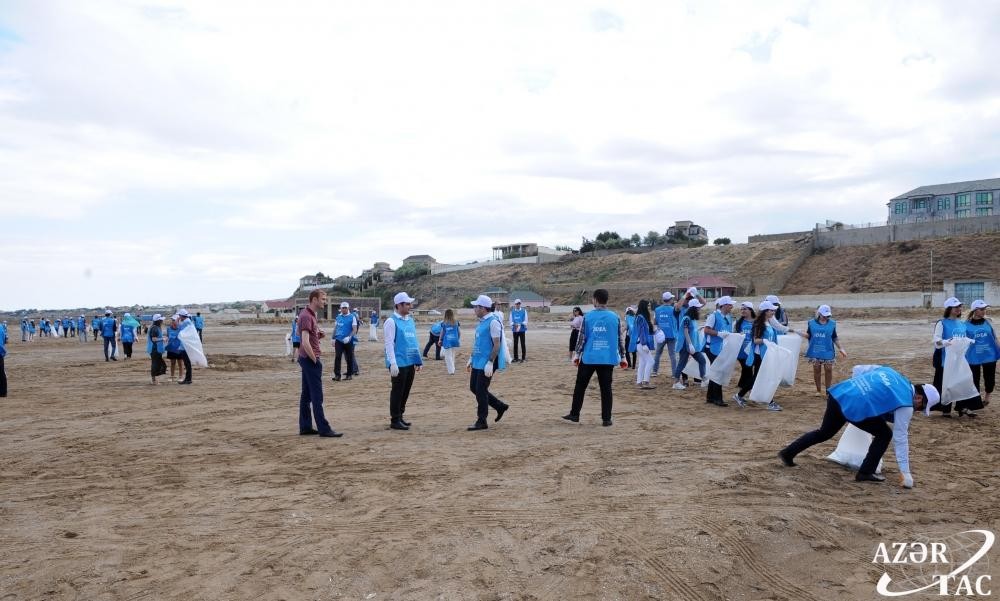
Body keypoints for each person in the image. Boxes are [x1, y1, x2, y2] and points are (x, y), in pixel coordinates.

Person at [779, 366, 936, 487]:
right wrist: (906, 473)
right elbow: (900, 438)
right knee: (885, 434)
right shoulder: (906, 405)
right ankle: (865, 472)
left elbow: (859, 368)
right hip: (853, 406)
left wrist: (858, 392)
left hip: (840, 393)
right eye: (921, 408)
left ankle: (787, 453)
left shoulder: (892, 372)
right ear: (919, 397)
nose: (918, 411)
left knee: (824, 433)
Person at [563, 289, 626, 426]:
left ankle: (574, 414)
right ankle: (606, 419)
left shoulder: (588, 317)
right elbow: (619, 338)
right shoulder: (614, 317)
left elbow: (581, 338)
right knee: (606, 389)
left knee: (580, 386)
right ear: (606, 300)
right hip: (607, 358)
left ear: (596, 300)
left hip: (590, 357)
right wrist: (623, 357)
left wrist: (577, 355)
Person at [297, 290, 342, 438]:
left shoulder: (309, 315)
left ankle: (305, 427)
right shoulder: (306, 316)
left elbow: (304, 336)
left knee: (307, 395)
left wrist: (317, 335)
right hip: (310, 360)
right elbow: (303, 341)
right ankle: (324, 428)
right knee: (317, 396)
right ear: (314, 299)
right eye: (323, 299)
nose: (324, 302)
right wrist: (315, 360)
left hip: (306, 358)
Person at [932, 297, 983, 417]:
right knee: (946, 382)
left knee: (962, 381)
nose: (959, 309)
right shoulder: (942, 323)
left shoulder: (961, 324)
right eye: (956, 307)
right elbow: (936, 341)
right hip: (945, 358)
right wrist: (946, 342)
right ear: (949, 309)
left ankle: (963, 407)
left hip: (960, 359)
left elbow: (963, 339)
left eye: (960, 307)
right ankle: (945, 409)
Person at [466, 295, 510, 431]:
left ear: (483, 308)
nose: (474, 309)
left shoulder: (493, 321)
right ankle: (499, 406)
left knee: (480, 389)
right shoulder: (481, 322)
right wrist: (471, 358)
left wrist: (490, 362)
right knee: (474, 387)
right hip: (478, 360)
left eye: (476, 307)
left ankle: (482, 420)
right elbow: (478, 342)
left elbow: (497, 344)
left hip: (488, 361)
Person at [384, 292, 423, 430]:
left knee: (406, 390)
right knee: (397, 391)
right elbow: (389, 343)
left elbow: (413, 342)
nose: (410, 306)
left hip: (410, 362)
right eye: (407, 304)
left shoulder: (410, 320)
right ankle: (395, 419)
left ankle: (400, 415)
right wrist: (392, 363)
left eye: (409, 304)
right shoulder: (391, 321)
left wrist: (418, 360)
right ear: (398, 305)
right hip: (399, 363)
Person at [802, 304, 847, 394]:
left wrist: (841, 348)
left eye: (828, 316)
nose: (826, 317)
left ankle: (828, 391)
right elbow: (808, 335)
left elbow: (834, 337)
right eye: (824, 315)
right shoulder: (811, 323)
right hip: (816, 350)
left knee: (828, 369)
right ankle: (818, 390)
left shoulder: (832, 324)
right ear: (819, 313)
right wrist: (798, 334)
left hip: (827, 350)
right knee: (817, 370)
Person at [750, 300, 783, 411]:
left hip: (767, 354)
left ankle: (740, 395)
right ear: (765, 311)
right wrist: (764, 341)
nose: (773, 312)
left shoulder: (768, 322)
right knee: (766, 378)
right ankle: (770, 402)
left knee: (758, 378)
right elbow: (755, 340)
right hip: (761, 355)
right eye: (771, 310)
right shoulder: (759, 324)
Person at [966, 299, 998, 407]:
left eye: (984, 309)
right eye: (981, 309)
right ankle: (976, 399)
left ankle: (987, 397)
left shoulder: (989, 322)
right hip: (974, 356)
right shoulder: (965, 325)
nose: (984, 311)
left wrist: (998, 348)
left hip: (989, 354)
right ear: (975, 310)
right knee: (974, 378)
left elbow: (994, 337)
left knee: (990, 377)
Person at [703, 296, 735, 406]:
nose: (732, 306)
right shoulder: (713, 316)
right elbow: (706, 330)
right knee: (718, 372)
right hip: (713, 347)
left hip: (723, 348)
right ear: (724, 305)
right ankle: (717, 398)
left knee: (716, 372)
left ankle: (711, 397)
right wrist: (718, 333)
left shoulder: (729, 317)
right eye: (730, 304)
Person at [673, 298, 708, 390]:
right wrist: (690, 344)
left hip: (693, 345)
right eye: (697, 308)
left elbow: (692, 330)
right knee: (682, 363)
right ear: (693, 308)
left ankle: (704, 378)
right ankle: (676, 382)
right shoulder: (687, 318)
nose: (699, 309)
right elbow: (685, 332)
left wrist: (699, 329)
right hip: (686, 345)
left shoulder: (692, 319)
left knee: (702, 360)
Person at [732, 301, 757, 407]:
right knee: (748, 371)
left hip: (752, 351)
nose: (742, 311)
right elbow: (733, 335)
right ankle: (742, 394)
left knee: (748, 372)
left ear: (750, 310)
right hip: (742, 352)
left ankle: (743, 392)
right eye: (741, 309)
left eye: (745, 309)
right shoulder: (738, 322)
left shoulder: (756, 322)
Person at [630, 299, 655, 389]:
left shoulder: (641, 317)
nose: (649, 307)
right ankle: (646, 382)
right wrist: (644, 344)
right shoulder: (641, 317)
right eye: (648, 306)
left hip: (640, 343)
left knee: (643, 362)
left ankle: (639, 382)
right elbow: (641, 331)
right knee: (651, 361)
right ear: (644, 306)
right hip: (641, 343)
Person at [652, 292, 678, 378]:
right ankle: (674, 374)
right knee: (672, 354)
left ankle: (654, 371)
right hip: (671, 334)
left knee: (658, 354)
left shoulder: (657, 309)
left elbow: (655, 322)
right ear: (670, 300)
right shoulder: (673, 309)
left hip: (661, 335)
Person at [332, 302, 358, 381]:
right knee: (338, 357)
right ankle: (337, 375)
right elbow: (336, 328)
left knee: (349, 357)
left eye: (345, 308)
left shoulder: (352, 317)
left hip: (348, 341)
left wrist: (349, 337)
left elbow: (354, 329)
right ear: (341, 308)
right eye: (343, 308)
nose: (344, 309)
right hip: (339, 340)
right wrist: (333, 338)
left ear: (348, 308)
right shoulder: (338, 317)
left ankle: (349, 374)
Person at [439, 309, 461, 375]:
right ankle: (453, 369)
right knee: (452, 355)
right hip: (455, 340)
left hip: (447, 340)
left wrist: (440, 339)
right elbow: (459, 332)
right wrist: (457, 339)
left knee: (448, 356)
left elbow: (442, 332)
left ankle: (451, 371)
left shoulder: (444, 323)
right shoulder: (456, 322)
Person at [175, 309, 194, 385]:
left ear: (182, 316)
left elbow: (180, 331)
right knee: (187, 363)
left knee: (187, 363)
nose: (179, 317)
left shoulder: (186, 322)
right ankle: (188, 378)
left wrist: (177, 321)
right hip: (186, 345)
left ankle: (188, 379)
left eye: (179, 316)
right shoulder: (188, 321)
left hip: (185, 346)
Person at [147, 314, 167, 384]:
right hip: (154, 349)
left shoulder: (156, 327)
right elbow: (154, 339)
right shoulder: (155, 328)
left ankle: (154, 379)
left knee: (158, 364)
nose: (162, 321)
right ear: (158, 321)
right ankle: (154, 380)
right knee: (156, 364)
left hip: (157, 349)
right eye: (161, 320)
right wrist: (162, 339)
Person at [165, 315, 183, 381]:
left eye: (174, 320)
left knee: (180, 363)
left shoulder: (181, 328)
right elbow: (167, 336)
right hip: (171, 348)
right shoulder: (168, 328)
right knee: (172, 363)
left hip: (179, 348)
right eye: (172, 320)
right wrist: (166, 339)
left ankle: (181, 377)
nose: (172, 321)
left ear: (178, 320)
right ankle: (172, 377)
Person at [0, 319, 7, 397]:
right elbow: (4, 339)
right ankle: (3, 392)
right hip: (1, 351)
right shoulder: (1, 327)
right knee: (1, 372)